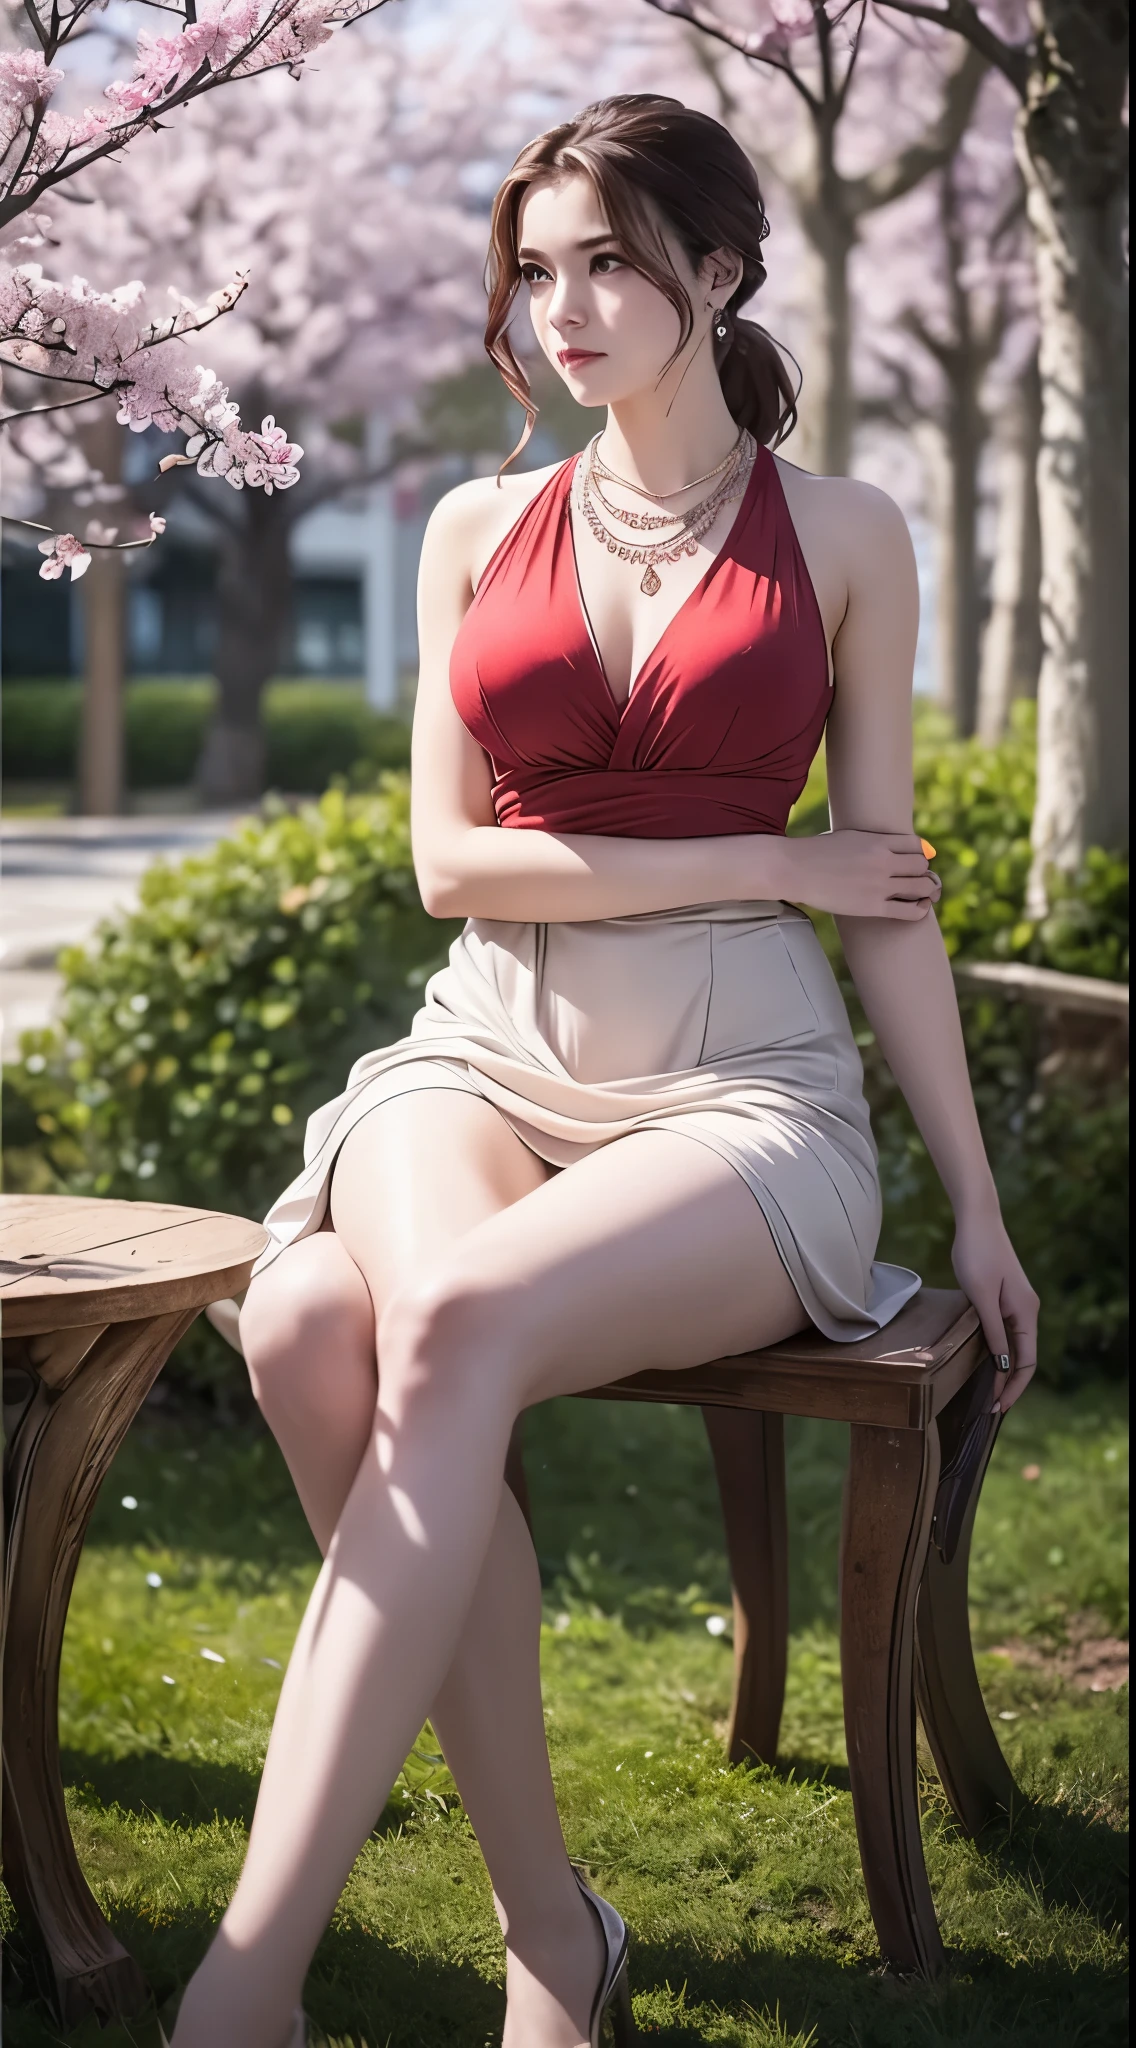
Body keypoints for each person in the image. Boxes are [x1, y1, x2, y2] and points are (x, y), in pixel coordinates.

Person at [169, 93, 1038, 2048]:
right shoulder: (479, 525)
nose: (561, 307)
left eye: (610, 264)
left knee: (441, 1314)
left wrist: (974, 1201)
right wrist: (765, 853)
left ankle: (240, 1992)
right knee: (309, 1316)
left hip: (743, 1098)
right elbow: (447, 858)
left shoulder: (849, 537)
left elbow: (883, 900)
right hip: (481, 1048)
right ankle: (551, 1928)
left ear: (714, 274)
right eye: (534, 269)